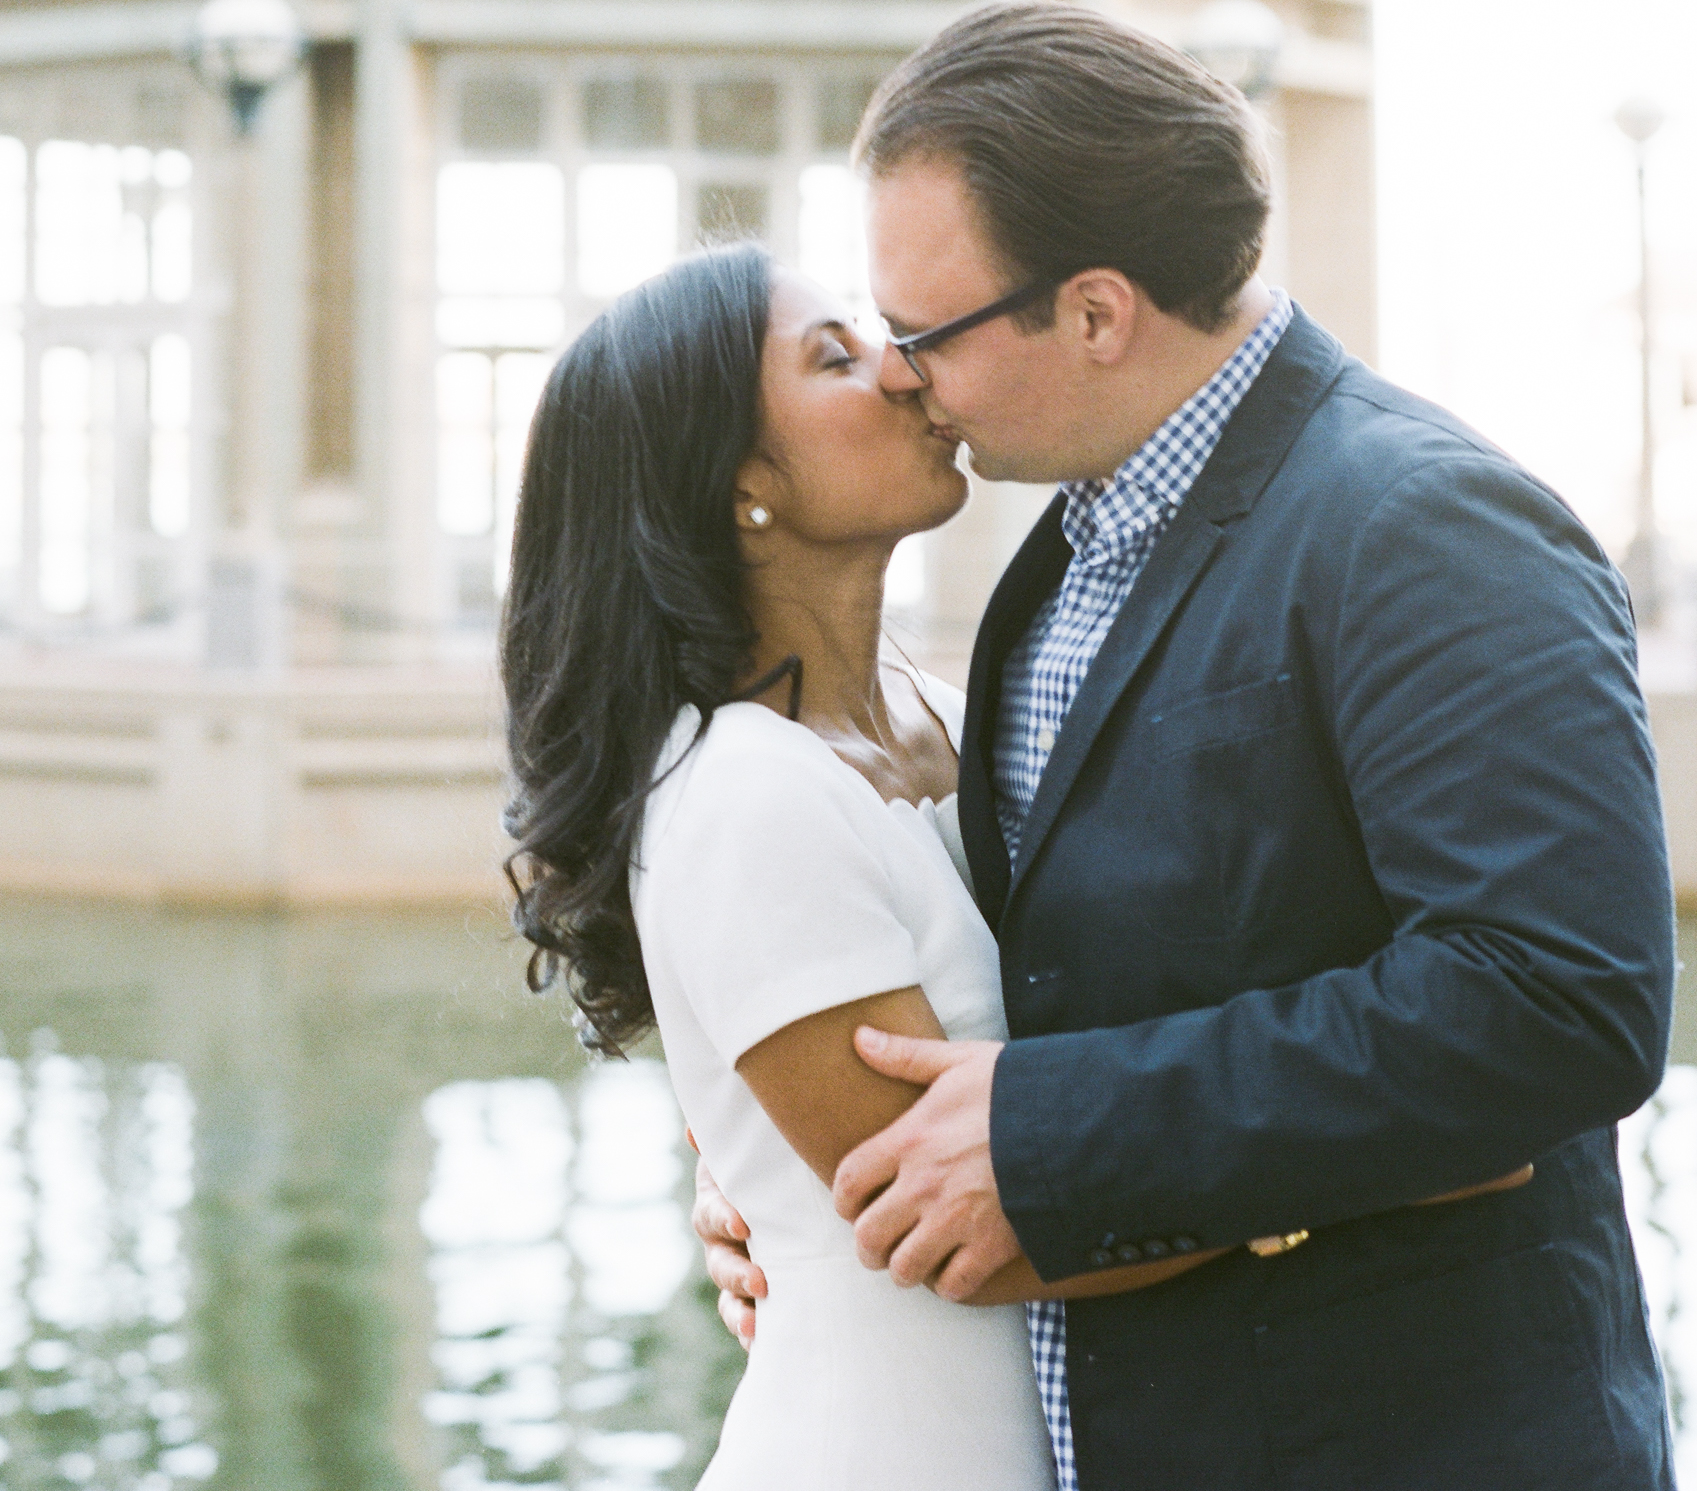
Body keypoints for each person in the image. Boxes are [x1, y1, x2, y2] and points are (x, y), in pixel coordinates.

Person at [697, 0, 1677, 1491]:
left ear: (1094, 313)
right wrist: (803, 1192)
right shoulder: (1054, 556)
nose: (903, 376)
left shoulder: (1420, 520)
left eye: (925, 334)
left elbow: (1559, 997)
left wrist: (1054, 1139)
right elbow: (1051, 971)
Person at [500, 241, 1238, 1489]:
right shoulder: (741, 795)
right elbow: (976, 1230)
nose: (903, 369)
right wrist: (1349, 1173)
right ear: (739, 482)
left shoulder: (951, 711)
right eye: (833, 356)